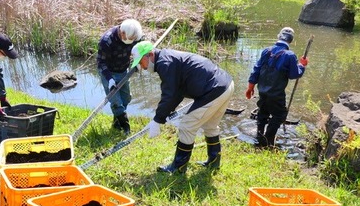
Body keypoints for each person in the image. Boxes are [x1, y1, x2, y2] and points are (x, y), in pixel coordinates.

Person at [130, 41, 235, 174]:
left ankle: (178, 167)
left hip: (214, 89)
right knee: (210, 126)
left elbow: (170, 94)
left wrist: (158, 119)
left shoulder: (164, 63)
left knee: (187, 126)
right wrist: (166, 113)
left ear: (150, 55)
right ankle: (214, 162)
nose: (142, 67)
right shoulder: (167, 58)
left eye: (140, 62)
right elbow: (177, 92)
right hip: (226, 84)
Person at [245, 27, 308, 147]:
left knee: (262, 113)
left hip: (262, 92)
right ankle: (269, 139)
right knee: (280, 115)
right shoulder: (289, 55)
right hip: (276, 94)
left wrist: (250, 88)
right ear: (291, 41)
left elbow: (256, 70)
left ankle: (259, 136)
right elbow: (294, 75)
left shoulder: (266, 51)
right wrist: (302, 65)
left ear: (278, 37)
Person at [97, 19, 143, 135]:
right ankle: (126, 127)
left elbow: (140, 50)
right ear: (122, 33)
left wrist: (137, 62)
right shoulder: (107, 40)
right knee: (116, 102)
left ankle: (117, 123)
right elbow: (101, 63)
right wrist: (110, 79)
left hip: (123, 71)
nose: (132, 41)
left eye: (134, 39)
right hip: (108, 73)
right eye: (130, 38)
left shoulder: (133, 35)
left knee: (126, 98)